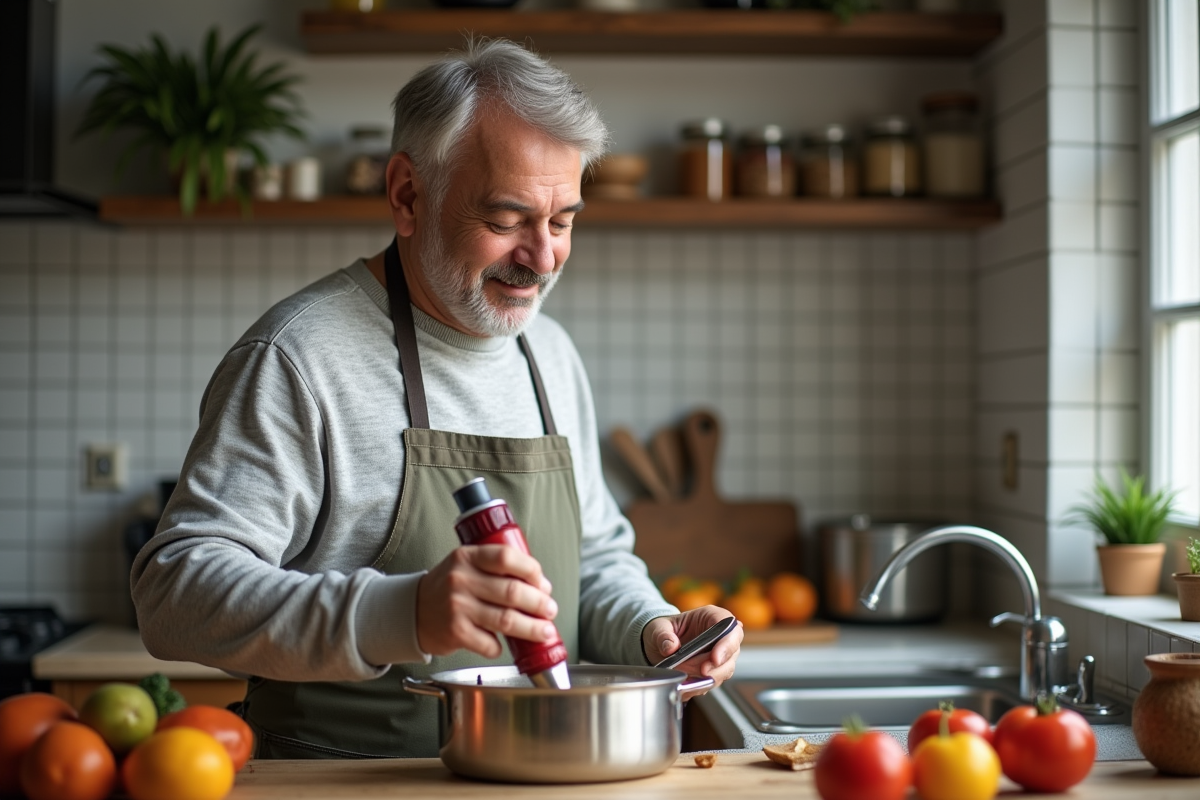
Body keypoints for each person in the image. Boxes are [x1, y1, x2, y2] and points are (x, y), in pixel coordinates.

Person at [131, 37, 743, 760]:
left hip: (532, 772)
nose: (542, 259)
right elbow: (174, 592)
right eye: (507, 219)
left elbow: (597, 560)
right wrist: (403, 614)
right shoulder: (300, 358)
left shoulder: (547, 353)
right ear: (407, 195)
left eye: (564, 220)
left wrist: (652, 628)